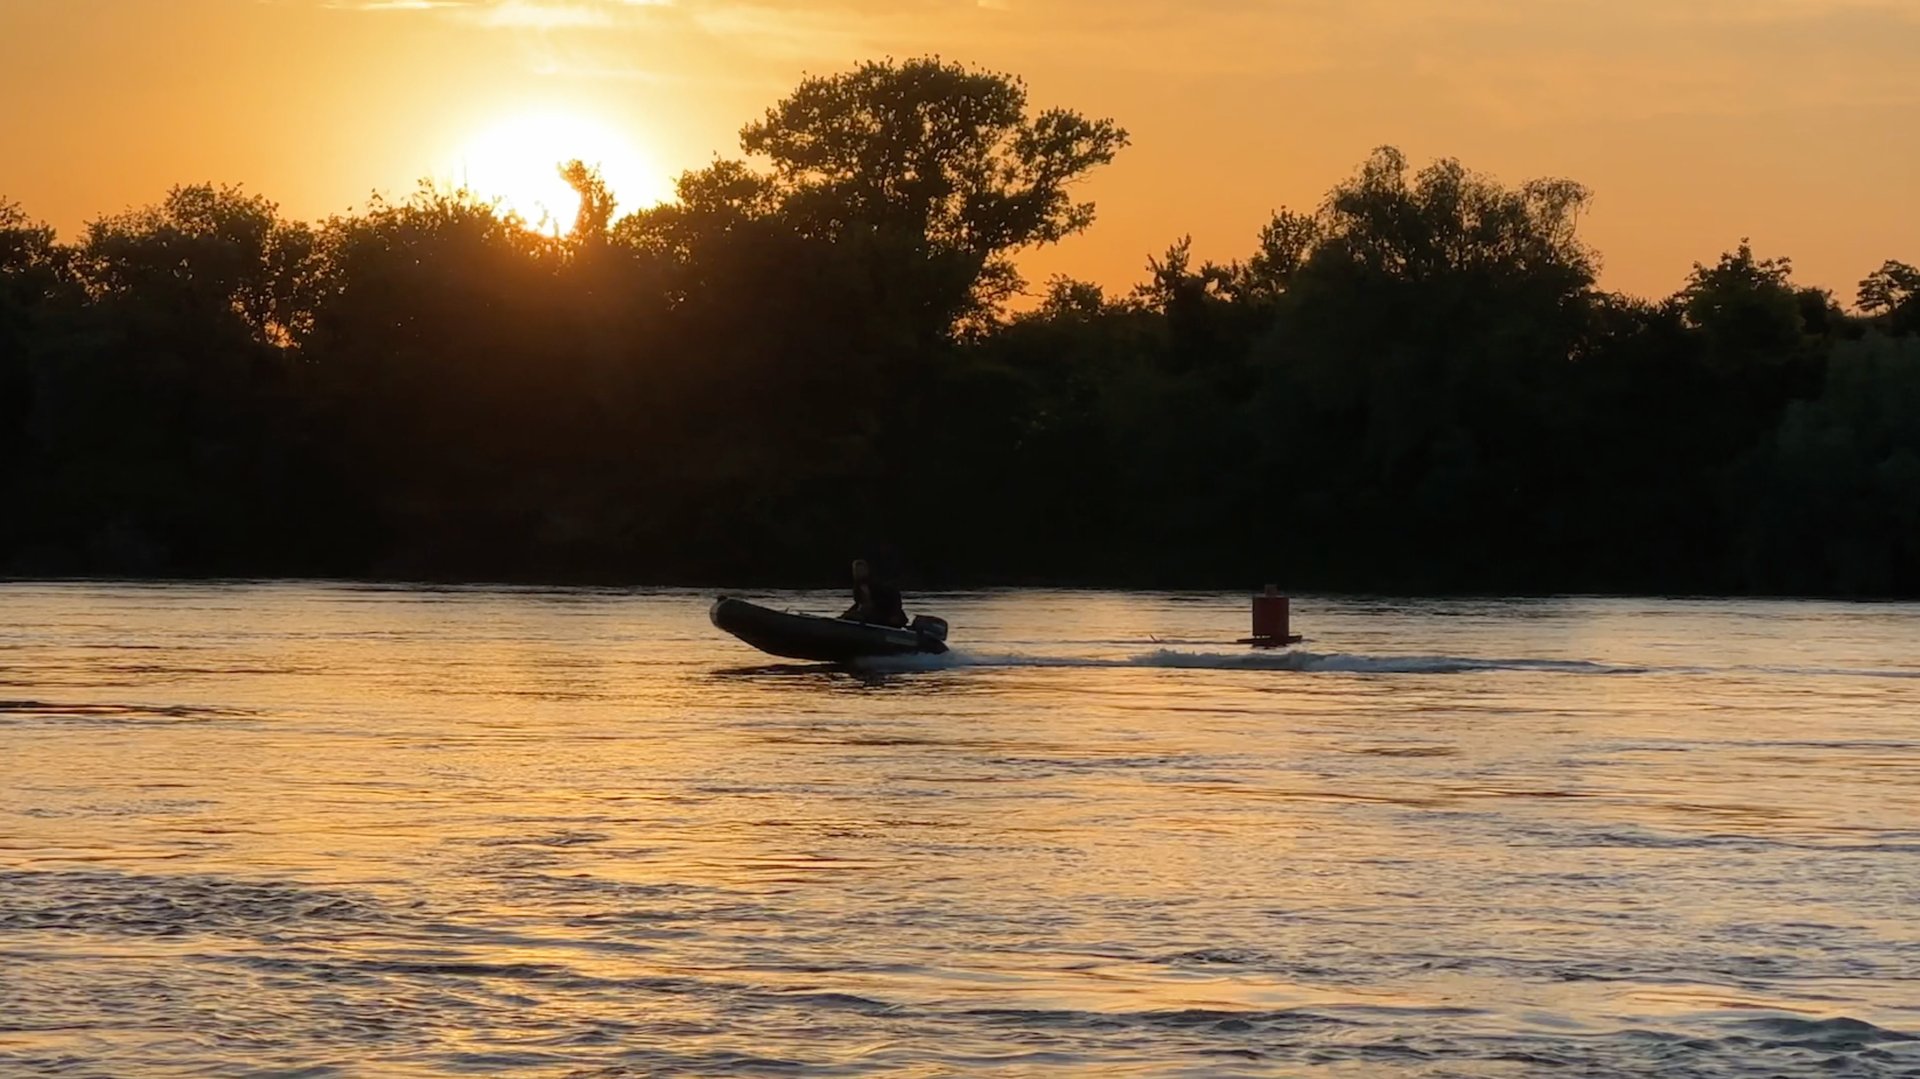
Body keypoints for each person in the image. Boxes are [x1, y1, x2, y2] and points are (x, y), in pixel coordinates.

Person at [841, 558, 908, 627]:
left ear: (867, 570)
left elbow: (895, 596)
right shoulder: (857, 587)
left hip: (885, 614)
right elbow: (859, 604)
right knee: (849, 616)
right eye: (856, 571)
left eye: (861, 570)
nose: (859, 573)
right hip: (870, 614)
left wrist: (895, 615)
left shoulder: (876, 585)